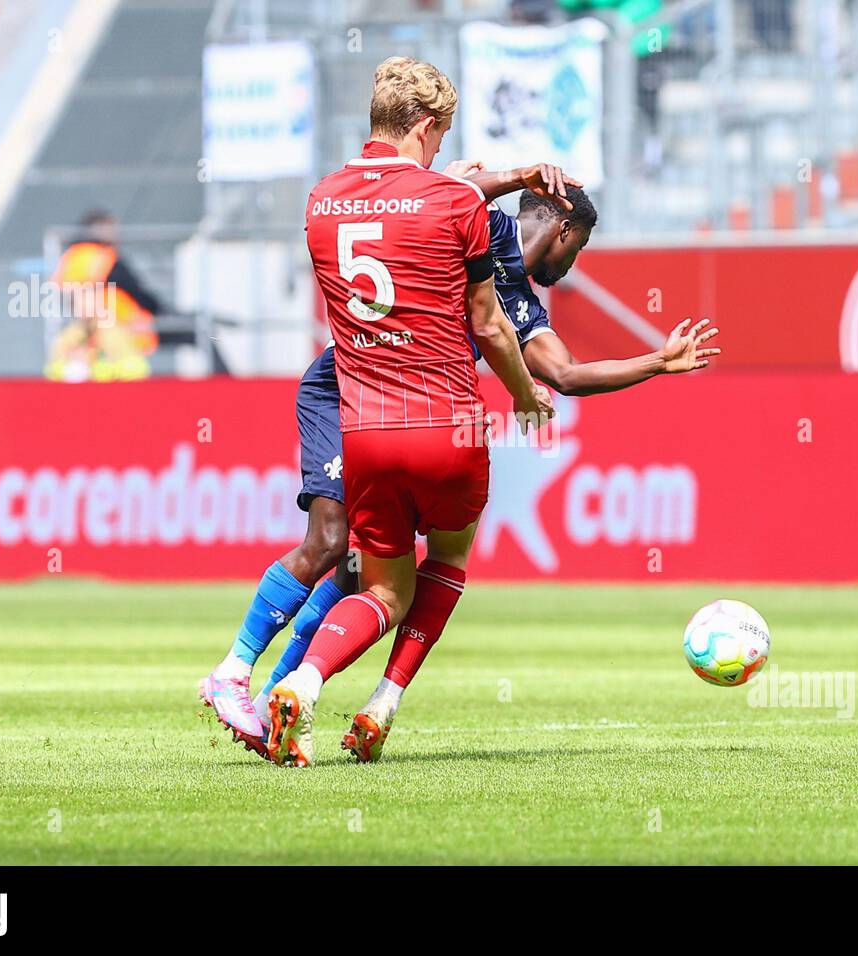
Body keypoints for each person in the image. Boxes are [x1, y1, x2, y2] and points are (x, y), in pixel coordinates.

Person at [201, 55, 553, 767]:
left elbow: (388, 219)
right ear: (425, 126)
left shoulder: (323, 200)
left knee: (380, 585)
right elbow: (487, 325)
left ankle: (299, 680)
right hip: (448, 424)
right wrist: (521, 394)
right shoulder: (456, 205)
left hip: (364, 430)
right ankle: (378, 701)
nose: (441, 152)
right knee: (443, 566)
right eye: (440, 136)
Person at [45, 210, 162, 381]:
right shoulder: (103, 258)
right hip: (123, 322)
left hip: (116, 326)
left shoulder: (72, 256)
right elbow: (137, 292)